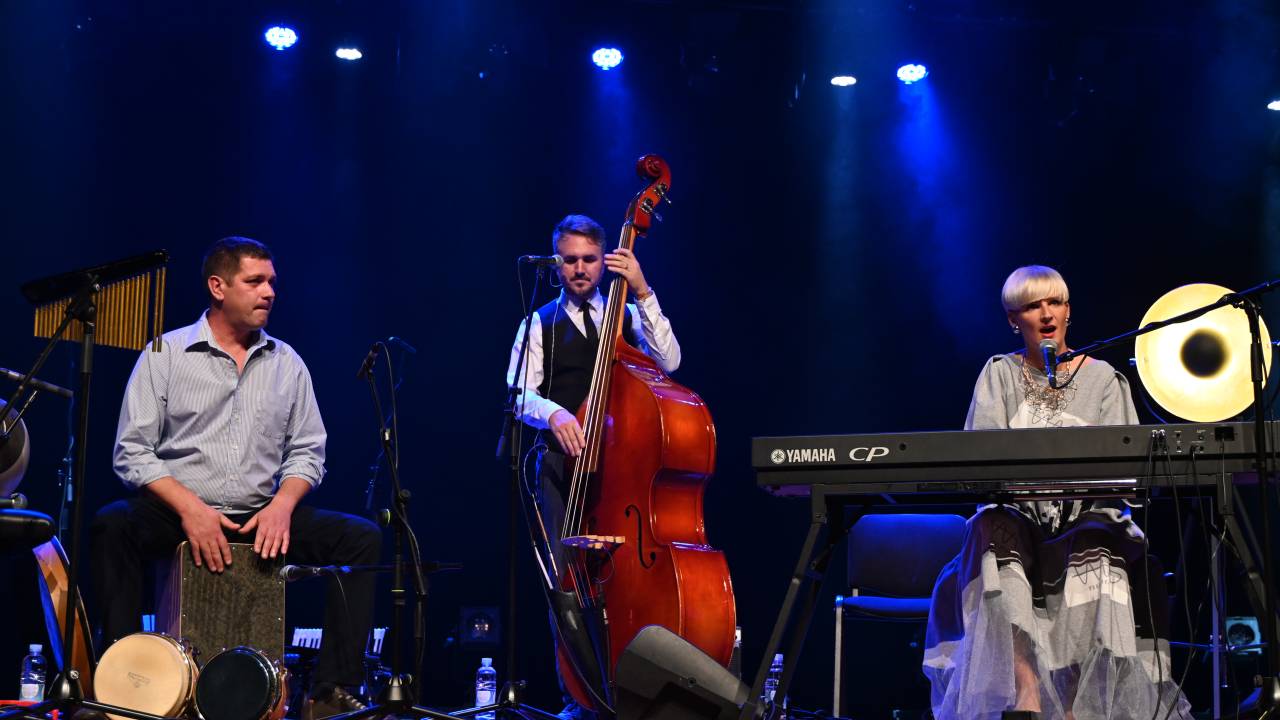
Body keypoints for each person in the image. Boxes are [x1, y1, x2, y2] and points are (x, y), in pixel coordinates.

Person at [90, 237, 382, 720]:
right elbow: (132, 452)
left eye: (272, 282)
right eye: (255, 281)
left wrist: (283, 506)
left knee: (360, 539)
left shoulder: (286, 362)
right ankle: (123, 681)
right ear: (218, 287)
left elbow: (308, 452)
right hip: (179, 511)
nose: (269, 292)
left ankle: (331, 690)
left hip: (259, 516)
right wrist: (190, 509)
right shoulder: (166, 353)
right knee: (112, 524)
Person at [922, 265, 1192, 720]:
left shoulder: (1104, 379)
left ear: (1068, 311)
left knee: (1094, 538)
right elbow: (980, 459)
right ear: (1015, 320)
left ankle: (1072, 703)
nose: (1046, 314)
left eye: (1054, 302)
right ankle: (1026, 689)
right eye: (1032, 306)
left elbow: (1125, 469)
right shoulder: (999, 374)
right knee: (991, 527)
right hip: (1019, 518)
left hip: (1085, 517)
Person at [504, 214, 681, 720]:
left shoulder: (628, 315)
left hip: (624, 470)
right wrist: (553, 413)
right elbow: (518, 393)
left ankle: (636, 690)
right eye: (569, 260)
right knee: (566, 580)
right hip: (561, 468)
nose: (579, 269)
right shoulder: (538, 323)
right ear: (556, 263)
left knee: (625, 579)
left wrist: (642, 289)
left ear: (606, 261)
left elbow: (670, 362)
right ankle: (579, 698)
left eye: (588, 259)